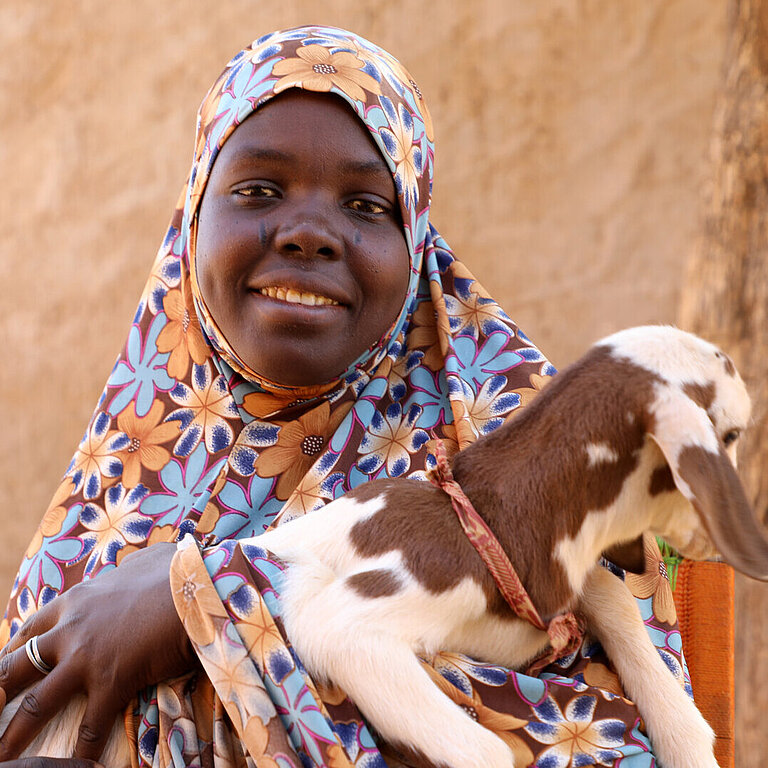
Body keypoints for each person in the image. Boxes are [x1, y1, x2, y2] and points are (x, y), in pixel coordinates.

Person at [0, 25, 683, 766]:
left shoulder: (530, 468)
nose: (309, 234)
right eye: (258, 189)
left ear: (416, 246)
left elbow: (610, 740)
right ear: (193, 221)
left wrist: (209, 605)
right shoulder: (119, 484)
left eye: (365, 205)